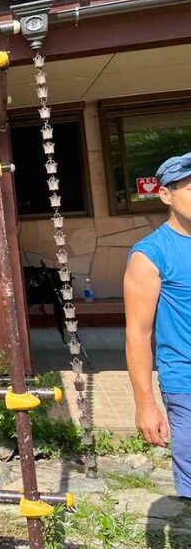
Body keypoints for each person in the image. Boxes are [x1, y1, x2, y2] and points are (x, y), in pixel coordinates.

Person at [125, 153, 191, 498]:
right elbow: (138, 333)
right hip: (186, 384)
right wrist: (145, 403)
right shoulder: (150, 254)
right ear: (166, 194)